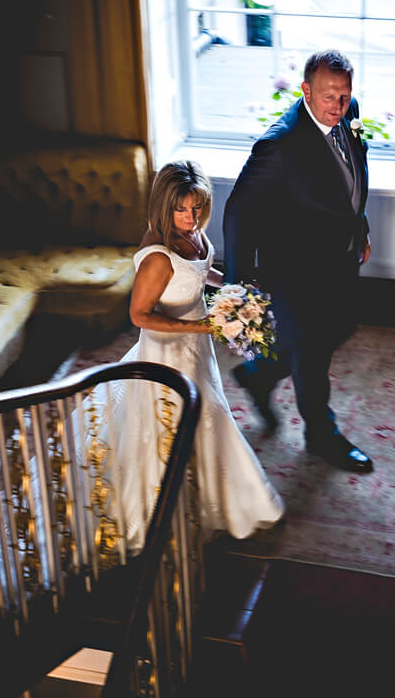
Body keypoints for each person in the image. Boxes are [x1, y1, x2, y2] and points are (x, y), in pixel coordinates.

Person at [92, 160, 284, 554]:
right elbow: (139, 316)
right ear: (165, 207)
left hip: (196, 347)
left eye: (198, 208)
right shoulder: (158, 257)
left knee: (206, 415)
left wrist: (232, 287)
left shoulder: (193, 234)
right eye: (182, 209)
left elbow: (199, 271)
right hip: (169, 355)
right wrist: (203, 327)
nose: (191, 217)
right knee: (185, 421)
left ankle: (220, 492)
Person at [223, 49, 374, 473]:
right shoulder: (279, 146)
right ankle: (322, 436)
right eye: (329, 97)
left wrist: (358, 227)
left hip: (340, 258)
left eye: (345, 96)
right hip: (295, 271)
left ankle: (258, 375)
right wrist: (236, 289)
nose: (338, 107)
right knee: (313, 352)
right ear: (305, 90)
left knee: (340, 327)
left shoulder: (350, 113)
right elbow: (237, 213)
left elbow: (353, 174)